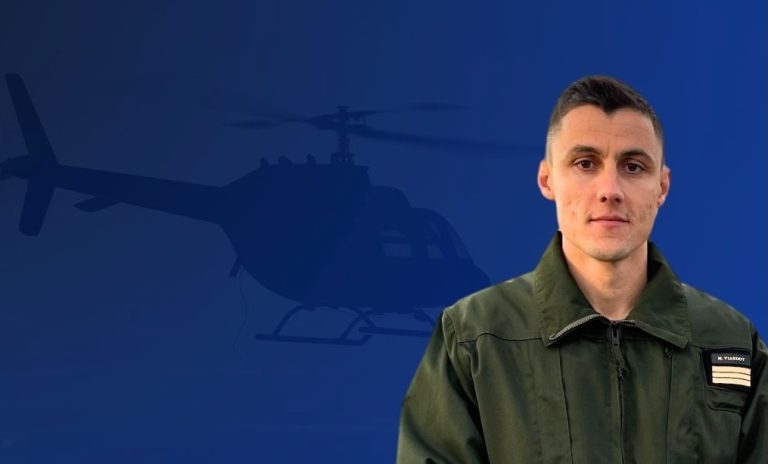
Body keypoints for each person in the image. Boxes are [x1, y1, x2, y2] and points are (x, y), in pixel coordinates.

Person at [396, 75, 767, 463]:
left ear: (662, 186)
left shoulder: (732, 340)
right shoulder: (473, 339)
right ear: (547, 180)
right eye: (585, 163)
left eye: (633, 166)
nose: (610, 190)